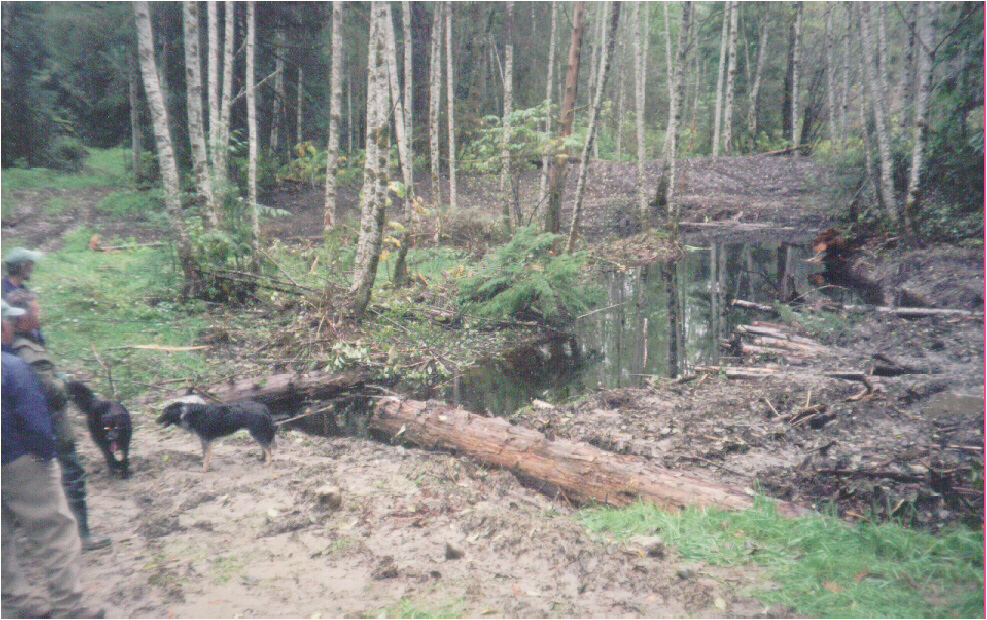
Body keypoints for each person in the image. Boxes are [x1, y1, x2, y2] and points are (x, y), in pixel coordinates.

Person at [2, 300, 104, 619]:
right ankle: (68, 609)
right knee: (55, 531)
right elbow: (35, 419)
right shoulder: (13, 367)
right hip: (20, 460)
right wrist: (46, 456)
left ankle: (13, 607)